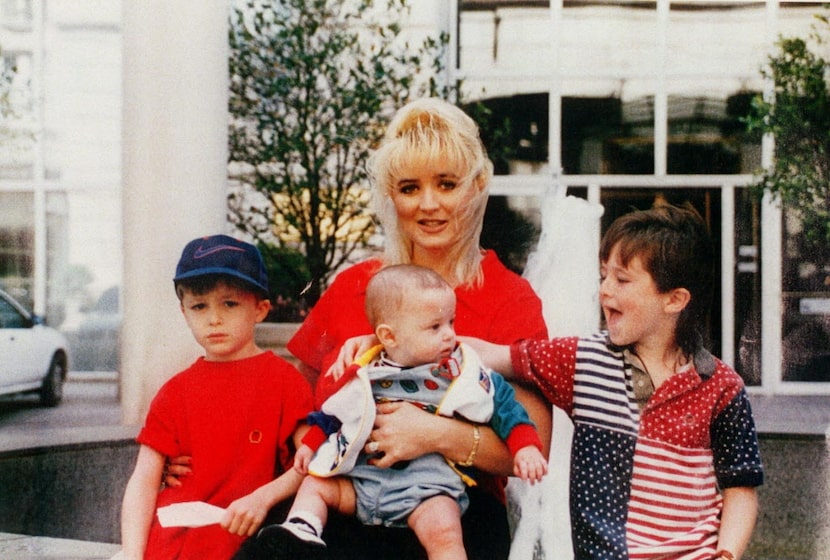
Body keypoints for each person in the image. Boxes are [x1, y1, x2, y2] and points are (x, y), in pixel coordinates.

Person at [166, 98, 553, 559]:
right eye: (410, 188)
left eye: (446, 184)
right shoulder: (355, 286)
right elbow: (284, 404)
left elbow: (532, 446)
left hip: (451, 511)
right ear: (391, 194)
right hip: (340, 499)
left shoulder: (509, 299)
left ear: (477, 185)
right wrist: (207, 455)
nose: (428, 204)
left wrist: (431, 433)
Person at [469, 204, 765, 559]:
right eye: (603, 276)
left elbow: (741, 487)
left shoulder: (722, 387)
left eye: (622, 280)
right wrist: (420, 338)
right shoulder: (582, 361)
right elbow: (494, 354)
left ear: (675, 300)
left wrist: (728, 553)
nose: (605, 291)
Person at [252, 264, 548, 559]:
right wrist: (311, 443)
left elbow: (507, 407)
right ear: (389, 337)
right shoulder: (368, 370)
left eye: (451, 322)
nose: (449, 336)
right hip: (363, 484)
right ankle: (303, 529)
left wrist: (525, 447)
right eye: (435, 327)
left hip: (426, 489)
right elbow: (335, 415)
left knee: (444, 530)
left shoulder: (460, 372)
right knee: (316, 486)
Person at [119, 235, 314, 559]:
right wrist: (132, 555)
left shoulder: (284, 381)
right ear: (184, 312)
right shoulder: (174, 392)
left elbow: (311, 463)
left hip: (248, 540)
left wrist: (263, 497)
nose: (213, 319)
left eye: (230, 303)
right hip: (175, 543)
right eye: (199, 306)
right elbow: (143, 482)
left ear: (260, 308)